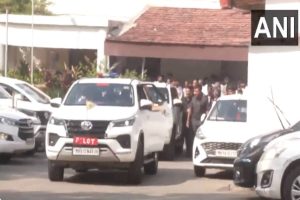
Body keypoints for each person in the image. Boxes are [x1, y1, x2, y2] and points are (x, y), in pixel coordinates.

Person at [186, 86, 208, 157]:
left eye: (196, 91)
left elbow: (207, 110)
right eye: (194, 91)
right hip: (193, 120)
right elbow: (190, 110)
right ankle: (190, 153)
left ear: (200, 91)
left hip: (201, 121)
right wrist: (188, 120)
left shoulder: (205, 98)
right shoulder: (193, 99)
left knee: (200, 137)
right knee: (191, 137)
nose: (195, 93)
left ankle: (200, 153)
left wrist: (206, 119)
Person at [181, 86, 193, 157]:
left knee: (189, 137)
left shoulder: (193, 99)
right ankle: (181, 151)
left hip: (191, 121)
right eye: (186, 91)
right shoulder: (182, 99)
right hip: (183, 120)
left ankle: (189, 152)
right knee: (183, 136)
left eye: (188, 91)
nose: (187, 92)